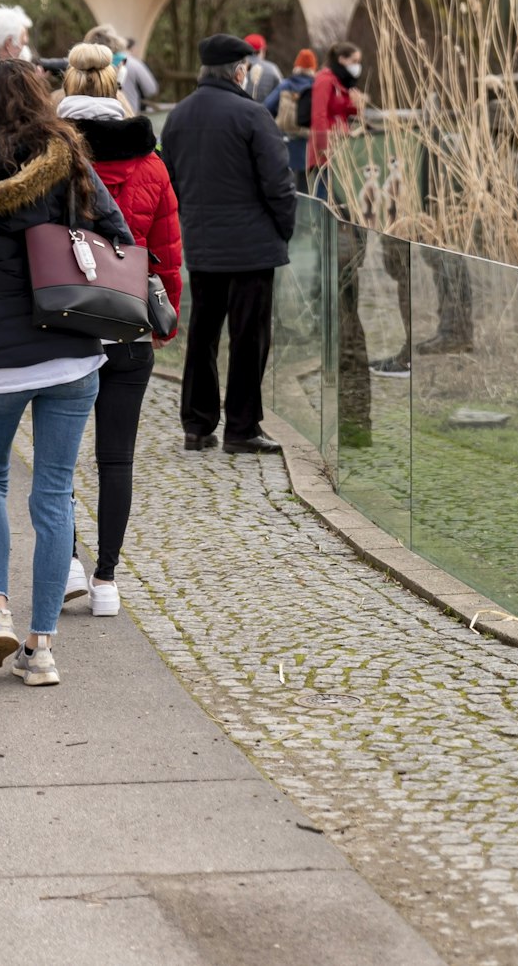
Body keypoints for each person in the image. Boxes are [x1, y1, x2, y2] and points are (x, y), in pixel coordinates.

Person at [0, 58, 132, 688]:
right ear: (40, 100)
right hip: (73, 348)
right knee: (55, 492)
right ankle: (40, 647)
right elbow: (118, 234)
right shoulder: (70, 162)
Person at [57, 42, 182, 616]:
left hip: (60, 324)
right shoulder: (150, 161)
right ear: (116, 87)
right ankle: (107, 580)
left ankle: (68, 565)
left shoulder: (48, 156)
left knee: (56, 460)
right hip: (128, 322)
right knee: (116, 459)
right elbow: (168, 251)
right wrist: (165, 318)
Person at [160, 34, 296, 454]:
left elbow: (172, 181)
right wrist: (283, 230)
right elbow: (279, 184)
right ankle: (241, 427)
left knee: (202, 334)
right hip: (251, 248)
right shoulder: (253, 115)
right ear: (239, 71)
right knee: (248, 337)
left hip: (203, 244)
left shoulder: (177, 117)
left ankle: (197, 425)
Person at [307, 42, 364, 200]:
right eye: (354, 61)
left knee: (339, 195)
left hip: (341, 145)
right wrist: (323, 146)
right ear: (341, 59)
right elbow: (319, 114)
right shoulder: (325, 80)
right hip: (327, 147)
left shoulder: (342, 82)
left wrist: (357, 105)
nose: (357, 66)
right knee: (324, 194)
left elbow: (343, 112)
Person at [262, 47, 317, 193]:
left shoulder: (286, 85)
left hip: (286, 140)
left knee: (287, 182)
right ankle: (305, 212)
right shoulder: (317, 86)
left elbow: (267, 107)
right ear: (313, 68)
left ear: (296, 67)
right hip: (310, 142)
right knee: (307, 185)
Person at [84, 24, 159, 114]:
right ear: (115, 41)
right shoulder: (130, 63)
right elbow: (151, 89)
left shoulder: (82, 65)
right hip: (127, 117)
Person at [244, 33, 283, 102]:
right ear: (262, 50)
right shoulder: (272, 69)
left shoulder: (235, 68)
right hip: (266, 112)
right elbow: (281, 94)